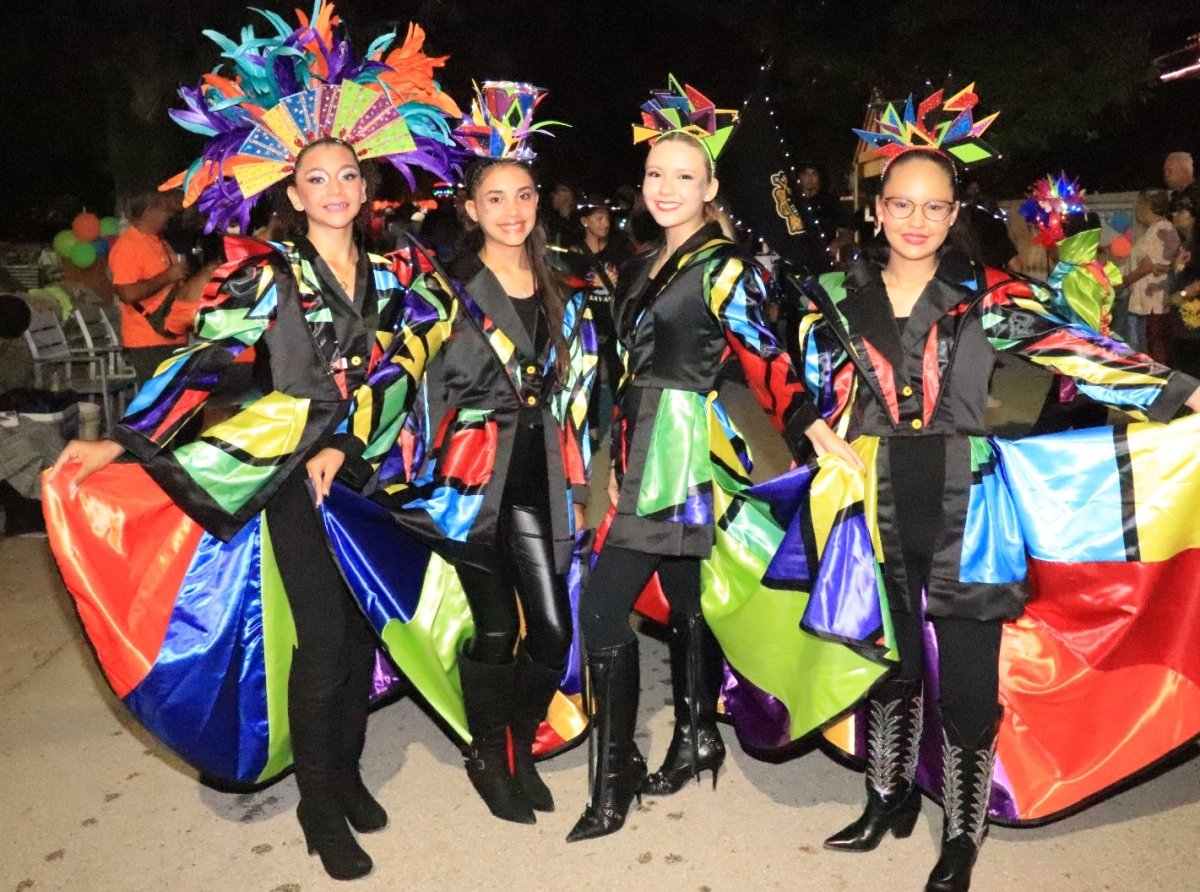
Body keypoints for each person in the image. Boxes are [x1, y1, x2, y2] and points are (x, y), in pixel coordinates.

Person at [45, 5, 461, 880]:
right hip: (290, 474)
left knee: (362, 631)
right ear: (292, 192)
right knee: (323, 642)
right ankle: (319, 806)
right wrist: (119, 444)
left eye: (347, 174)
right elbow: (200, 362)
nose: (335, 189)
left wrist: (353, 443)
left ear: (367, 185)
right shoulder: (263, 271)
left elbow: (411, 362)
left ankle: (345, 773)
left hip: (365, 468)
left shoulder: (399, 273)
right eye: (316, 179)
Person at [817, 88, 1200, 892]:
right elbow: (811, 384)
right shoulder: (838, 296)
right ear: (878, 210)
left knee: (965, 680)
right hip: (873, 504)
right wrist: (809, 425)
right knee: (887, 663)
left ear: (954, 211)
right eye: (901, 204)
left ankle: (962, 832)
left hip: (969, 505)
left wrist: (1183, 394)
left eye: (935, 206)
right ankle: (887, 796)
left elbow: (1083, 352)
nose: (917, 220)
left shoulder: (989, 295)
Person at [566, 77, 860, 843]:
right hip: (643, 444)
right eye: (656, 173)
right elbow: (621, 369)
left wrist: (807, 422)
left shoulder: (723, 265)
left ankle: (614, 777)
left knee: (602, 609)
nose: (666, 187)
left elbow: (763, 352)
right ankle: (697, 734)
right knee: (685, 599)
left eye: (684, 176)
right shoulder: (638, 265)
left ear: (711, 188)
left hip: (679, 452)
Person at [375, 81, 596, 825]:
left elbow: (580, 391)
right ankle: (486, 755)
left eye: (523, 195)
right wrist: (359, 450)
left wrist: (586, 481)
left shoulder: (563, 281)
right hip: (468, 483)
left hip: (538, 478)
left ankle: (516, 743)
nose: (512, 210)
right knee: (497, 629)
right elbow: (401, 375)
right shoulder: (443, 287)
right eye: (495, 198)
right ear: (469, 208)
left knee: (553, 635)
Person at [108, 190, 208, 384]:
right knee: (160, 398)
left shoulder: (160, 242)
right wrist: (167, 276)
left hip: (171, 334)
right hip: (148, 340)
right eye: (165, 210)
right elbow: (127, 293)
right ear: (148, 211)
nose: (170, 216)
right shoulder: (128, 246)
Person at [567, 196, 630, 449]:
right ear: (585, 221)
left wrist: (618, 282)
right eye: (598, 217)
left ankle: (622, 428)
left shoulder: (619, 251)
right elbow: (566, 288)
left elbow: (632, 285)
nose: (605, 223)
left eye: (607, 217)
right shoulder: (574, 254)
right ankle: (591, 431)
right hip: (586, 325)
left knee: (618, 376)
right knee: (588, 379)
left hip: (613, 323)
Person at [1122, 189, 1179, 361]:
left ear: (1146, 206)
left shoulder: (1161, 230)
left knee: (1152, 351)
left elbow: (1149, 266)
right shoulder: (1157, 229)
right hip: (1150, 303)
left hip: (1152, 304)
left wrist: (1123, 283)